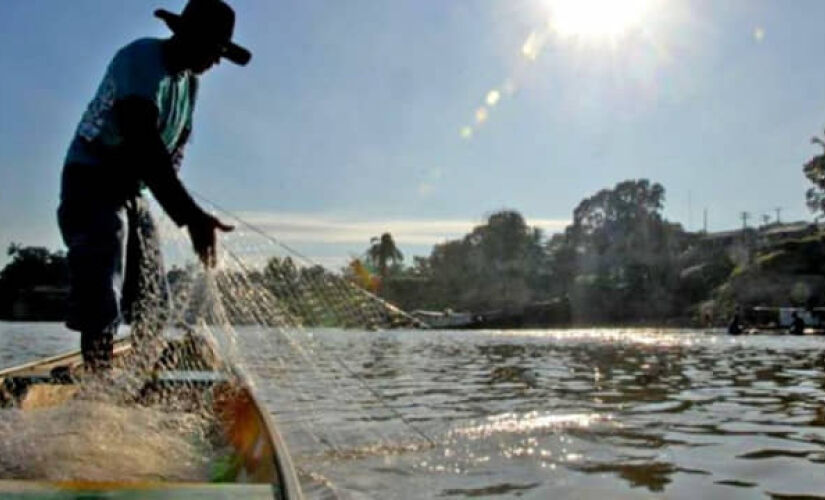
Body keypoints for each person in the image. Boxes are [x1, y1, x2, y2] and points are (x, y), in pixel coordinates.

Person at [58, 0, 250, 370]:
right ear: (185, 36)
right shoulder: (142, 59)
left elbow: (169, 156)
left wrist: (185, 211)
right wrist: (190, 215)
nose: (215, 61)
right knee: (101, 280)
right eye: (212, 50)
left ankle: (142, 376)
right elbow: (143, 141)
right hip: (91, 178)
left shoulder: (189, 85)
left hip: (133, 189)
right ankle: (98, 386)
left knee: (152, 299)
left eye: (220, 53)